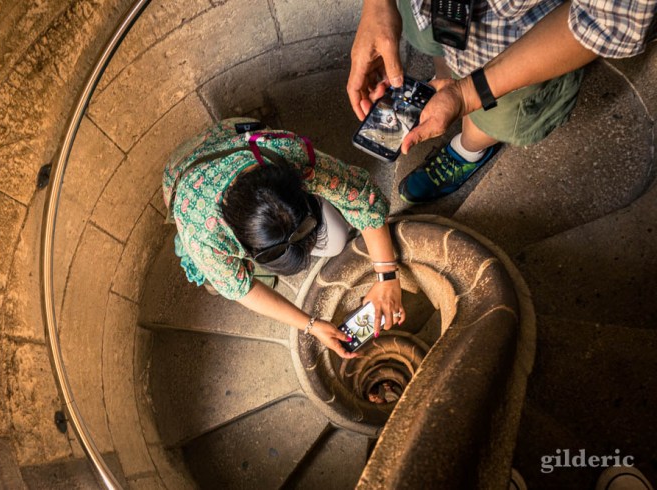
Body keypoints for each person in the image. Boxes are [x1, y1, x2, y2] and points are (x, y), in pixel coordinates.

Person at [347, 0, 656, 203]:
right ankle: (449, 77)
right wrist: (377, 7)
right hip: (435, 8)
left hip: (519, 40)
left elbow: (607, 22)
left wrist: (468, 94)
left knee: (491, 118)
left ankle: (468, 151)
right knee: (439, 47)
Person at [162, 118, 405, 359]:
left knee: (337, 240)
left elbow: (364, 198)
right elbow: (240, 289)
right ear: (243, 244)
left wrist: (386, 276)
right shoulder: (203, 232)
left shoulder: (289, 155)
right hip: (184, 171)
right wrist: (311, 325)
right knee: (217, 279)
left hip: (233, 139)